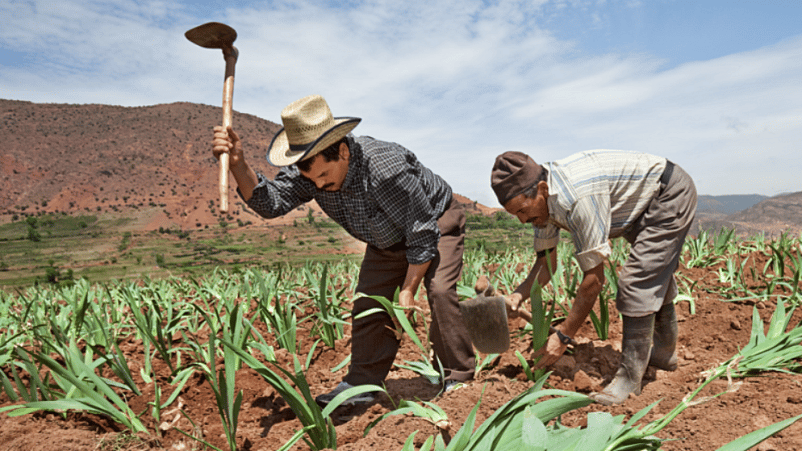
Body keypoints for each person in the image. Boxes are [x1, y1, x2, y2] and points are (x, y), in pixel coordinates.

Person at [212, 94, 475, 406]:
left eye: (325, 175)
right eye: (312, 179)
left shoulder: (385, 169)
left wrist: (407, 290)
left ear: (344, 151)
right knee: (368, 305)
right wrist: (238, 164)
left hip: (434, 221)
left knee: (441, 291)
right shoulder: (310, 173)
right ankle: (362, 385)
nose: (320, 185)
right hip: (384, 238)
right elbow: (272, 203)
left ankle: (459, 376)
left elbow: (421, 232)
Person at [490, 150, 697, 405]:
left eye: (523, 210)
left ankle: (630, 379)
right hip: (639, 208)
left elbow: (594, 280)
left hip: (666, 195)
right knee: (651, 275)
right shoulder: (542, 204)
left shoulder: (577, 198)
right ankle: (664, 355)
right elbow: (546, 264)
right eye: (515, 214)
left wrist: (563, 336)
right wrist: (518, 294)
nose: (522, 220)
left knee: (636, 282)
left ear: (542, 189)